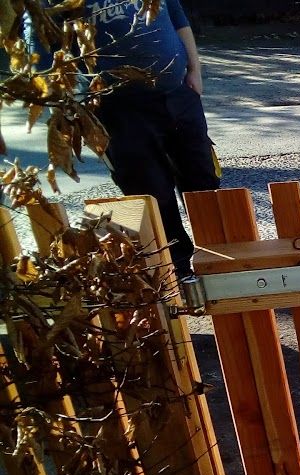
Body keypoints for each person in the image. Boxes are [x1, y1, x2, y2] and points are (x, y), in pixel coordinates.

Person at [83, 0, 218, 277]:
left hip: (179, 94)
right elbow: (42, 47)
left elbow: (177, 17)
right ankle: (176, 270)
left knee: (203, 178)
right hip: (117, 109)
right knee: (150, 192)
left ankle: (218, 259)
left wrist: (194, 69)